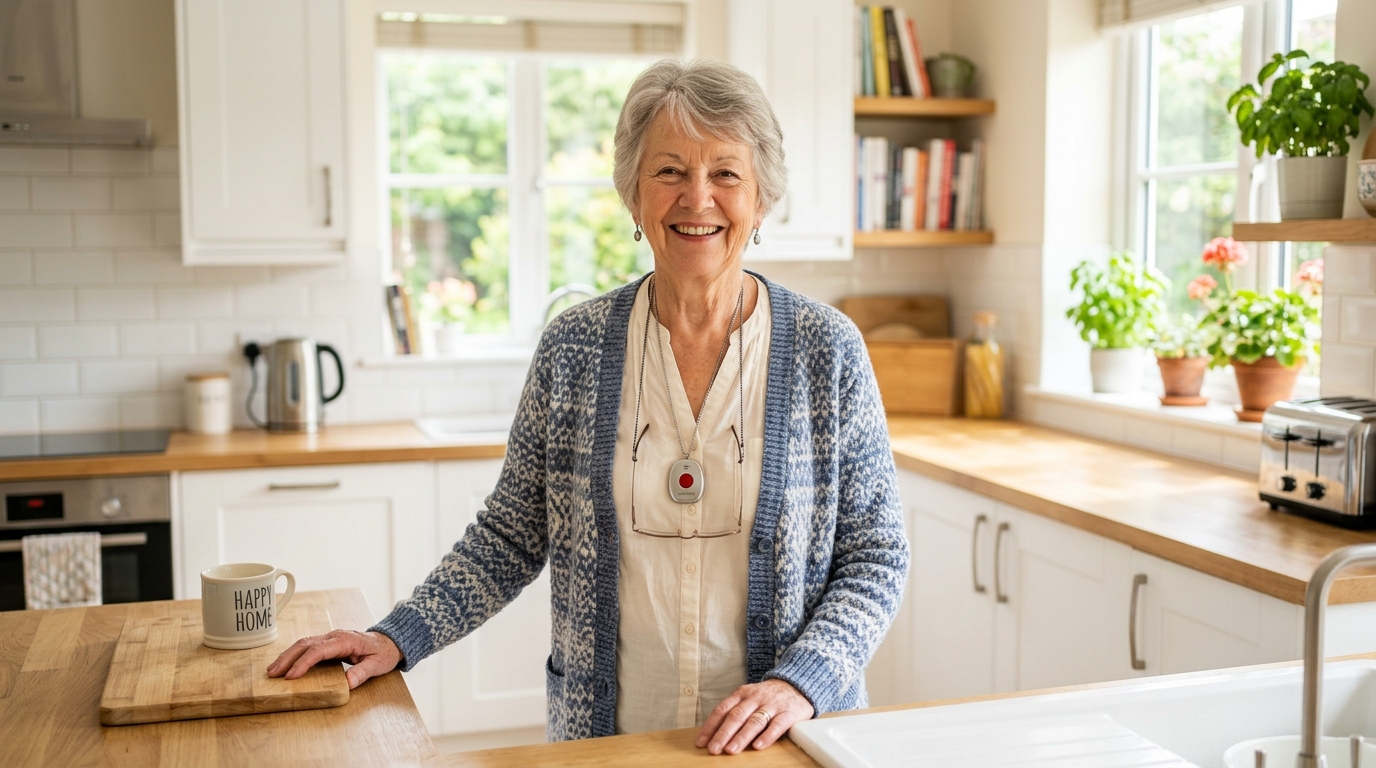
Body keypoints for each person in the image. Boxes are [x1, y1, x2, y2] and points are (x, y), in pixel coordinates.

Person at [268, 58, 908, 756]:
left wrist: (801, 682)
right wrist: (399, 634)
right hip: (610, 743)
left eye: (725, 172)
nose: (697, 198)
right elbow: (511, 533)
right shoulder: (574, 348)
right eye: (669, 171)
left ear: (762, 198)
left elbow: (876, 557)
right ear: (634, 195)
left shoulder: (828, 349)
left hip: (792, 739)